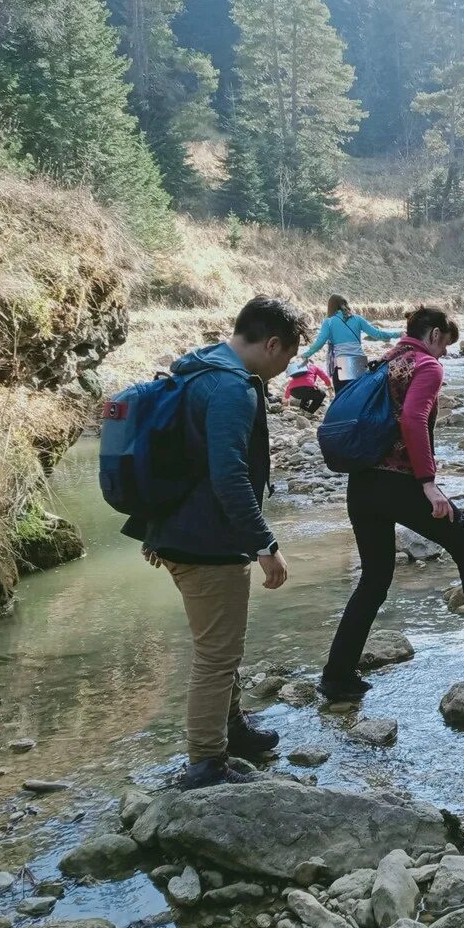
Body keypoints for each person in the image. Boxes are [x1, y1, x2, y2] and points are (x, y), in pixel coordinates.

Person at [128, 296, 310, 790]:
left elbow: (175, 456)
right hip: (206, 540)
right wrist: (265, 543)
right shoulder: (233, 388)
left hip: (178, 529)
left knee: (219, 643)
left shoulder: (197, 368)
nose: (284, 368)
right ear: (272, 343)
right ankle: (206, 763)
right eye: (288, 357)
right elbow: (228, 474)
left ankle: (231, 729)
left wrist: (152, 527)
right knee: (216, 655)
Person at [320, 305, 464, 700]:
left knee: (375, 579)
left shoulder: (386, 361)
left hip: (361, 485)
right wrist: (428, 483)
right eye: (445, 344)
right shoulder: (425, 366)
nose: (445, 354)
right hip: (398, 484)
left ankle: (336, 675)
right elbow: (413, 419)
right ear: (433, 334)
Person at [302, 294, 401, 393]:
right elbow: (378, 334)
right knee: (359, 397)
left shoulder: (329, 322)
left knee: (341, 398)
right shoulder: (357, 319)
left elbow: (319, 343)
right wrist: (398, 334)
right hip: (360, 362)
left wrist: (306, 354)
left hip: (342, 363)